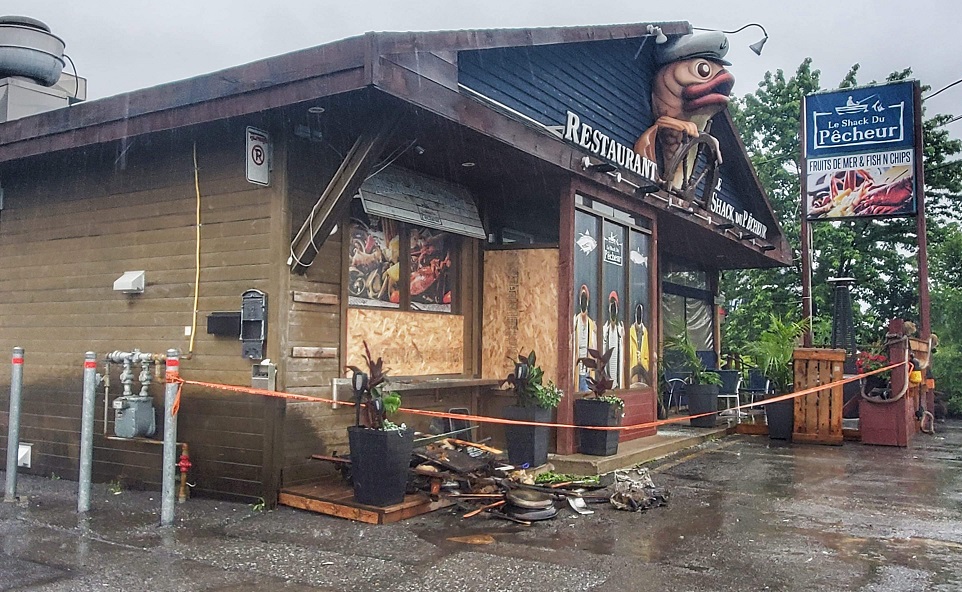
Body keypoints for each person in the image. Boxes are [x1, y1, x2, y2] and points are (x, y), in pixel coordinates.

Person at [572, 284, 596, 392]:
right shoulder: (575, 322)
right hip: (577, 367)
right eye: (582, 299)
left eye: (585, 299)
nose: (583, 302)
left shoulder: (591, 324)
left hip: (588, 369)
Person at [602, 291, 624, 389]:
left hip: (617, 371)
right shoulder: (605, 329)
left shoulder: (620, 330)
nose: (613, 311)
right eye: (612, 308)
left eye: (615, 308)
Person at [628, 302, 650, 387]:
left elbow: (647, 354)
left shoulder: (645, 332)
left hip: (642, 368)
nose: (639, 316)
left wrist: (643, 361)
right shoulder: (630, 332)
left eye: (640, 314)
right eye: (637, 314)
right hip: (632, 366)